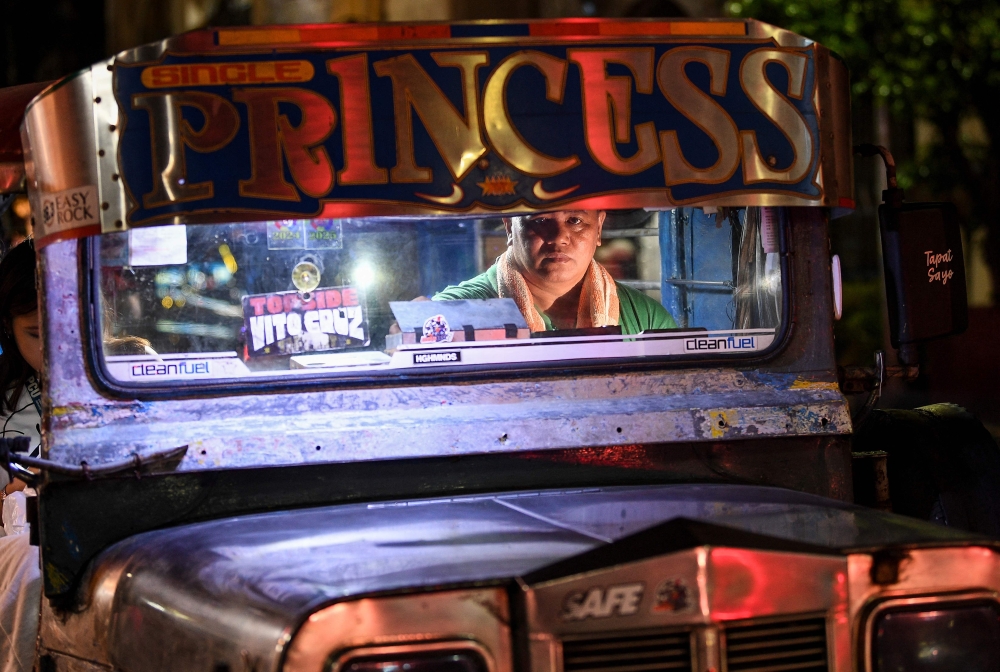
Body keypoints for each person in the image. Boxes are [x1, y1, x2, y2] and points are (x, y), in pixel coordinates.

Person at [434, 210, 676, 334]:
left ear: (599, 227)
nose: (559, 237)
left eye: (575, 220)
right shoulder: (461, 310)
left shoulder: (646, 318)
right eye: (540, 221)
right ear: (509, 227)